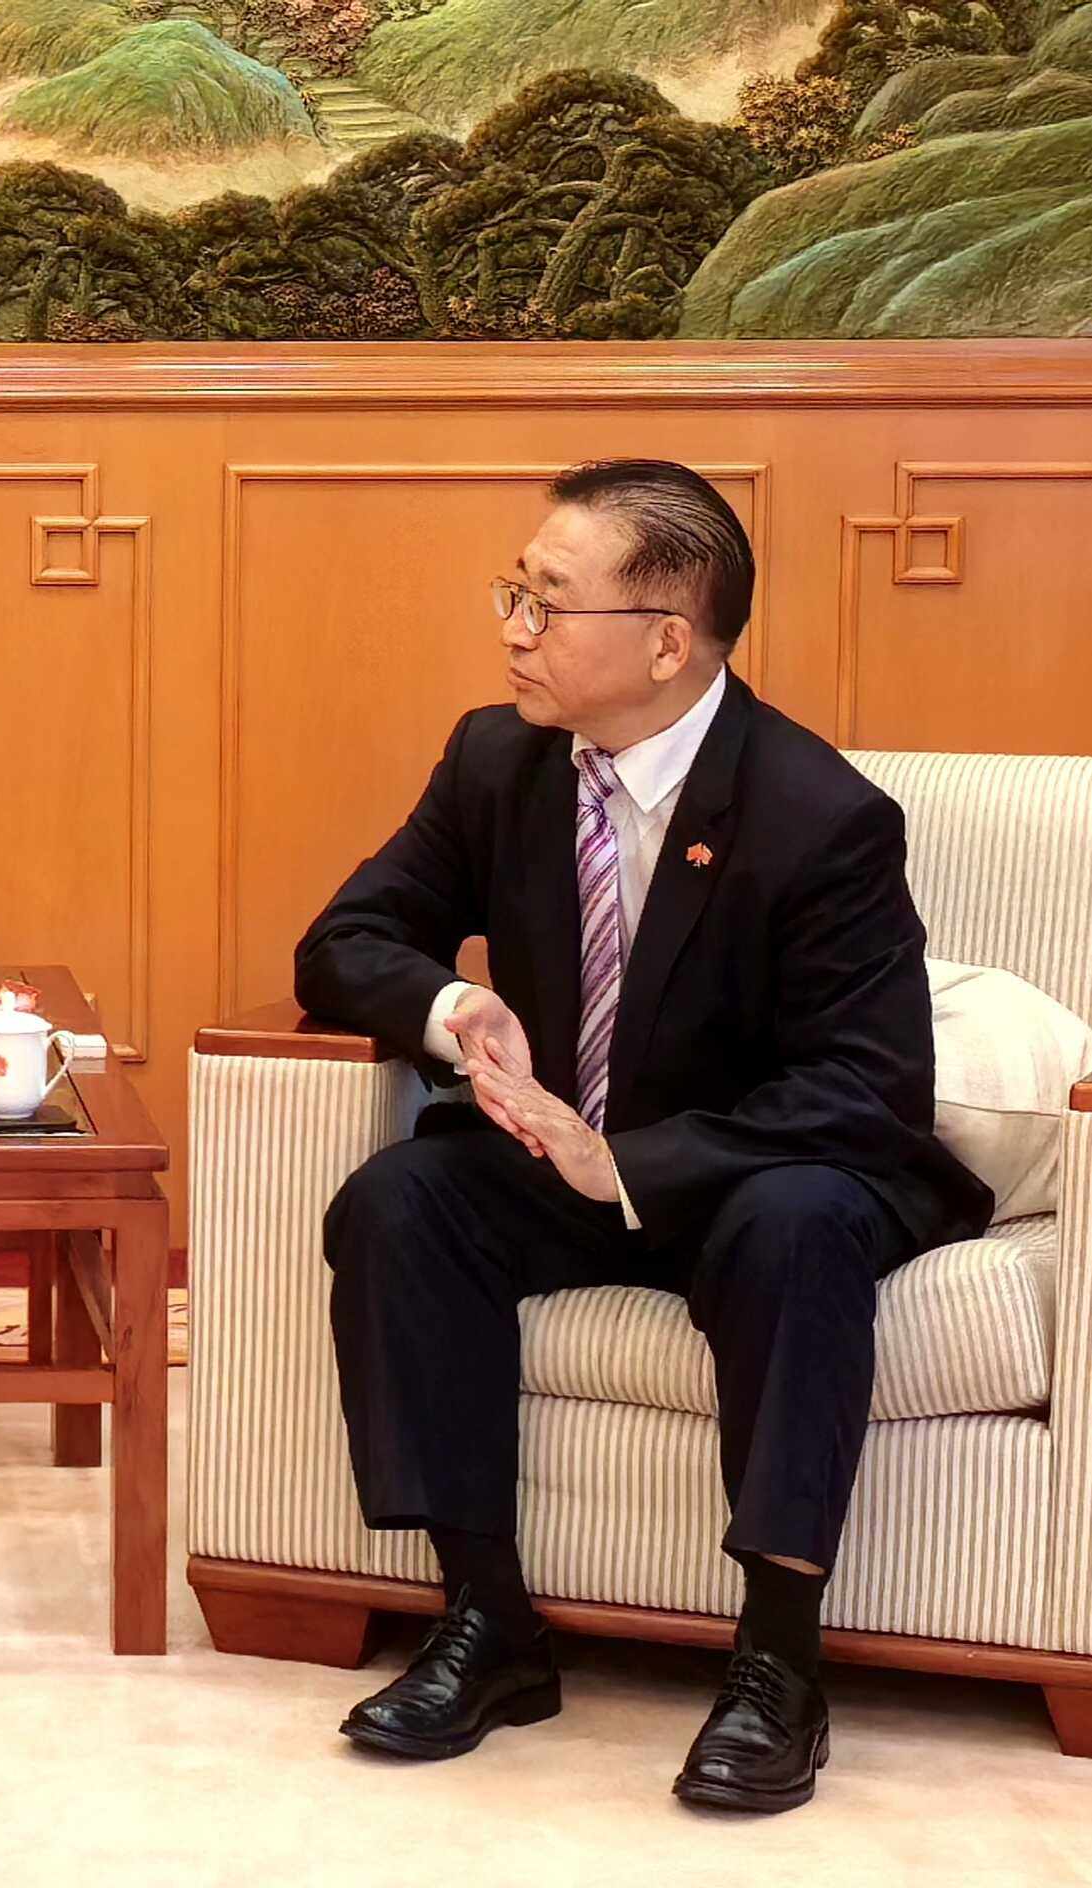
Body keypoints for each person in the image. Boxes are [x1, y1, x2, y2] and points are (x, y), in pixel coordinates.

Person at [294, 459, 990, 1814]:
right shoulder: (497, 760)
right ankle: (487, 1627)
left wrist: (639, 1163)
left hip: (757, 1173)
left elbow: (867, 1086)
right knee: (401, 1202)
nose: (510, 628)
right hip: (563, 1155)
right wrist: (453, 1008)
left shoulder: (816, 815)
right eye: (512, 591)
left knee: (797, 1227)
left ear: (666, 640)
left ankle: (777, 1666)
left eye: (544, 603)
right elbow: (344, 942)